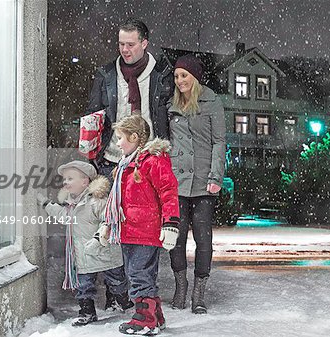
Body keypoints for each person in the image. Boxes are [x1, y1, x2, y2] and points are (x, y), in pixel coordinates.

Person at [102, 115, 180, 335]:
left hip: (145, 231)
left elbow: (168, 192)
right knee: (140, 274)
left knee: (138, 274)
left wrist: (170, 224)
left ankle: (145, 319)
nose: (117, 143)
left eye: (120, 138)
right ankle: (155, 316)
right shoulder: (125, 165)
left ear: (134, 137)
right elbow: (116, 201)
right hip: (129, 231)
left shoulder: (152, 162)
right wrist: (107, 225)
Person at [37, 160, 133, 326]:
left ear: (85, 181)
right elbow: (62, 215)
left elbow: (108, 221)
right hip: (83, 256)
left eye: (70, 178)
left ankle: (124, 301)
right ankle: (87, 312)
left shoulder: (98, 201)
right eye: (64, 179)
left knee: (116, 282)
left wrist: (98, 240)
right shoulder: (71, 205)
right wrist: (46, 203)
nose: (65, 182)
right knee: (83, 287)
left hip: (106, 254)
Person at [167, 54, 226, 314]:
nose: (180, 81)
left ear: (195, 77)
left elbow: (219, 142)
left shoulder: (212, 102)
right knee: (175, 238)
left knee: (203, 239)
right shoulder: (170, 104)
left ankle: (198, 293)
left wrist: (216, 177)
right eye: (177, 76)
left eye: (184, 76)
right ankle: (180, 287)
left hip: (203, 183)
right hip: (176, 183)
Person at [86, 18, 174, 178]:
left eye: (130, 45)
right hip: (111, 162)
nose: (124, 49)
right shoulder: (106, 75)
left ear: (144, 43)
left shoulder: (162, 75)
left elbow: (173, 119)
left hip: (150, 161)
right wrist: (91, 158)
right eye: (121, 44)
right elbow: (92, 117)